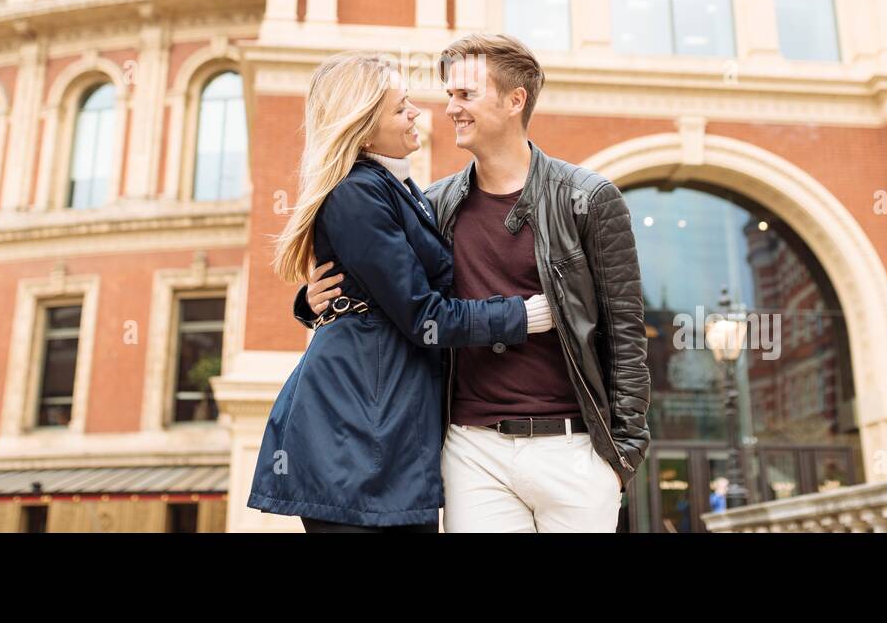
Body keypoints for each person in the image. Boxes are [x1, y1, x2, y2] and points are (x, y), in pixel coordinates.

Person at [299, 33, 651, 532]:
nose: (448, 109)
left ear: (514, 100)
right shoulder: (432, 204)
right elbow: (400, 296)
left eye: (465, 95)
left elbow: (626, 335)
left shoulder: (589, 199)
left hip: (573, 450)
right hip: (471, 450)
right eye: (448, 96)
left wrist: (624, 458)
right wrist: (312, 300)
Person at [246, 52, 555, 532]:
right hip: (354, 431)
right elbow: (422, 315)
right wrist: (528, 315)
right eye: (399, 108)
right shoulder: (356, 193)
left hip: (383, 423)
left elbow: (379, 286)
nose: (417, 113)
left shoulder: (395, 187)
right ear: (364, 128)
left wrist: (317, 302)